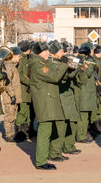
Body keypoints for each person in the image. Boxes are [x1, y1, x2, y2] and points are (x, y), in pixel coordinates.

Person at [29, 41, 69, 170]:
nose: (48, 53)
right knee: (44, 131)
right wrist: (63, 64)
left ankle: (45, 156)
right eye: (45, 51)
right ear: (39, 53)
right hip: (44, 102)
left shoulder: (45, 63)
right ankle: (41, 161)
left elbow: (59, 76)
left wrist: (67, 68)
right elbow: (54, 77)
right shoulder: (38, 65)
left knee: (48, 130)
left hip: (49, 100)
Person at [1, 47, 22, 142]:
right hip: (10, 97)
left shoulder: (13, 66)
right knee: (9, 116)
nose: (20, 58)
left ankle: (12, 134)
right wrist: (12, 95)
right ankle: (9, 135)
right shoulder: (8, 67)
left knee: (13, 116)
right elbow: (7, 83)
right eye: (18, 56)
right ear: (13, 56)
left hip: (14, 97)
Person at [15, 40, 32, 141]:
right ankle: (19, 132)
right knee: (23, 111)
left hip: (27, 90)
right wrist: (28, 82)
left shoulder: (26, 58)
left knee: (27, 111)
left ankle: (25, 131)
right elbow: (19, 74)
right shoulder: (21, 59)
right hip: (23, 89)